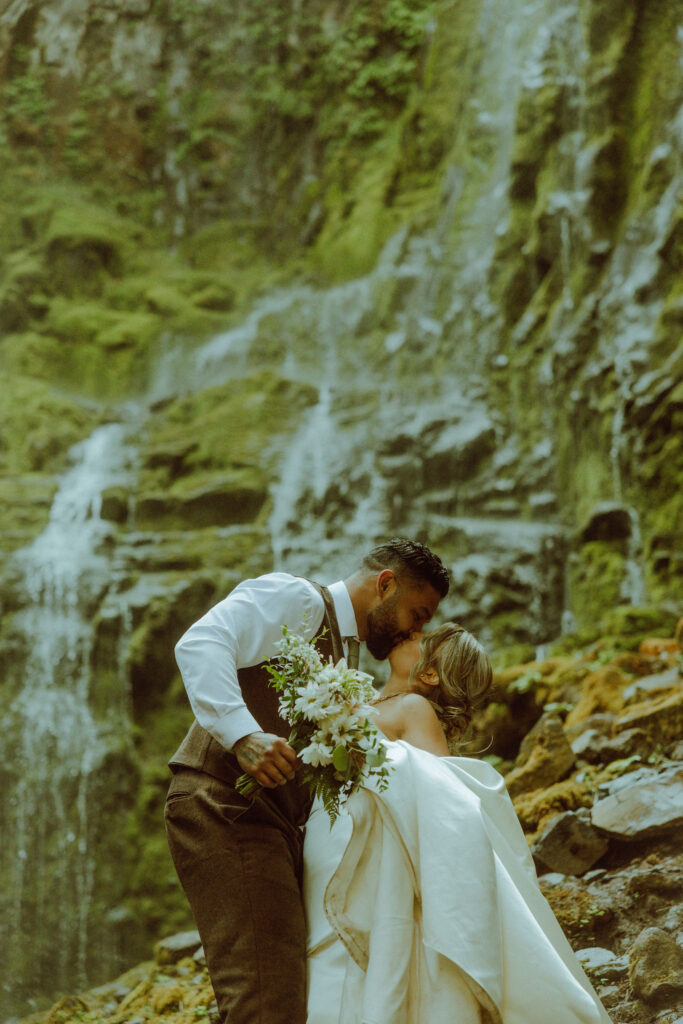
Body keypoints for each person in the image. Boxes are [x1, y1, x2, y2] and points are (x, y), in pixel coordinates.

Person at [164, 538, 449, 1024]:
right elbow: (201, 641)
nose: (417, 630)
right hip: (223, 806)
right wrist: (242, 735)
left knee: (282, 986)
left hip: (271, 827)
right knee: (265, 994)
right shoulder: (296, 599)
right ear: (385, 585)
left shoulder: (347, 657)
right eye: (417, 614)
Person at [304, 626, 613, 1024]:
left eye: (419, 635)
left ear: (430, 674)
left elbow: (441, 797)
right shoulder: (359, 699)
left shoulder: (413, 708)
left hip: (372, 856)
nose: (408, 630)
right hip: (330, 842)